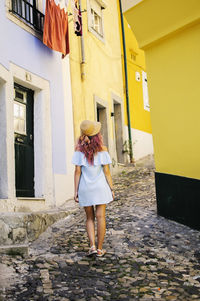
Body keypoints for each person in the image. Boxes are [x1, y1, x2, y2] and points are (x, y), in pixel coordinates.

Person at [72, 120, 114, 257]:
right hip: (100, 188)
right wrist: (112, 188)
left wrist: (76, 191)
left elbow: (77, 172)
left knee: (89, 217)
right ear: (96, 135)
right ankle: (100, 249)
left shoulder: (79, 151)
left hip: (85, 188)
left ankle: (92, 247)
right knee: (101, 216)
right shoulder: (102, 150)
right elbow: (107, 172)